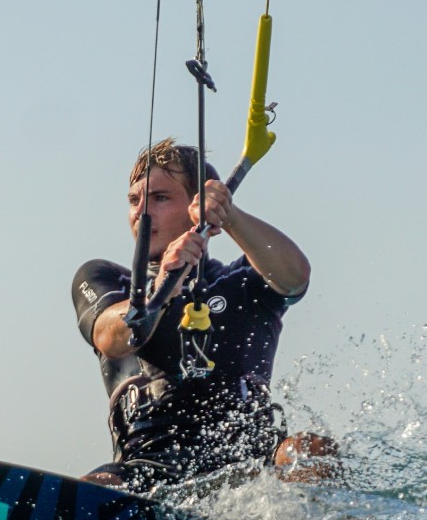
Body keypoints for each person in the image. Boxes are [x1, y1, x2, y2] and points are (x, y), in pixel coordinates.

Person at [71, 138, 334, 493]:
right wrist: (165, 281)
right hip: (147, 469)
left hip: (252, 469)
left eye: (160, 198)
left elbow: (294, 277)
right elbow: (109, 335)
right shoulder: (107, 279)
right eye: (134, 200)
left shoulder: (242, 281)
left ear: (197, 207)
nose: (141, 212)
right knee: (93, 488)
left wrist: (231, 215)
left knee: (311, 450)